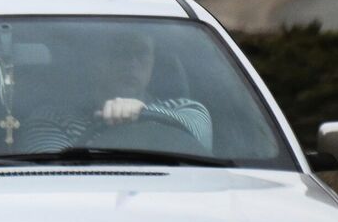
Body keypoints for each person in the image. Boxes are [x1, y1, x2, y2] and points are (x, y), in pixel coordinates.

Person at [20, 31, 212, 154]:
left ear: (153, 60)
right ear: (93, 60)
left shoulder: (187, 110)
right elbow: (54, 180)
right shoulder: (52, 120)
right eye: (120, 52)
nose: (132, 63)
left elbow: (198, 138)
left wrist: (141, 113)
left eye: (142, 53)